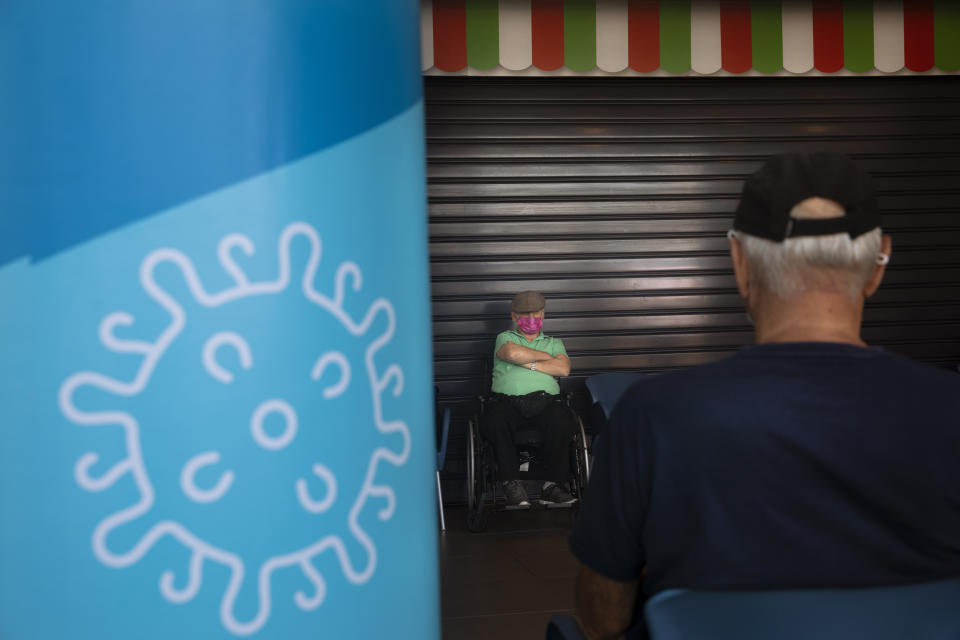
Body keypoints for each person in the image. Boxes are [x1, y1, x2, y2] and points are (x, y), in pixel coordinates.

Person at [569, 152, 960, 639]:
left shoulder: (652, 414)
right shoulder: (948, 409)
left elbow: (603, 619)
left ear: (740, 264)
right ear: (879, 262)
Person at [480, 290, 578, 507]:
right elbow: (512, 354)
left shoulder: (555, 342)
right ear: (514, 316)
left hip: (546, 402)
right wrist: (547, 360)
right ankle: (511, 485)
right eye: (525, 314)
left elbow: (563, 368)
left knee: (563, 421)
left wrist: (529, 363)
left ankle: (551, 486)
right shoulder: (505, 338)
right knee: (495, 421)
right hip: (508, 402)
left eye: (535, 314)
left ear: (543, 314)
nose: (531, 319)